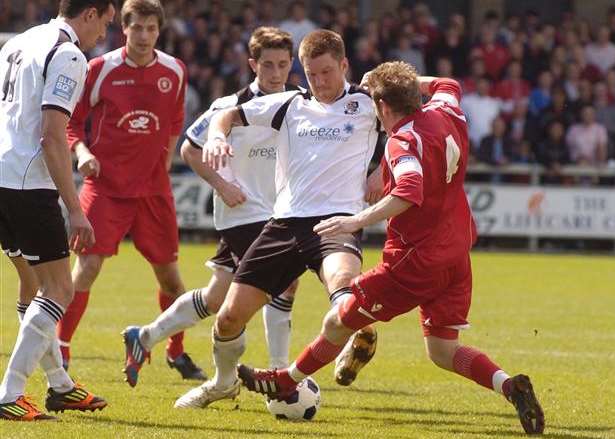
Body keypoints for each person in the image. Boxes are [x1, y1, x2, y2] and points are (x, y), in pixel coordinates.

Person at [236, 62, 545, 436]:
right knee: (443, 351)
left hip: (416, 260)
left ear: (382, 105)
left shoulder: (403, 140)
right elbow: (448, 82)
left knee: (338, 320)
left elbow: (407, 192)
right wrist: (401, 83)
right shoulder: (444, 110)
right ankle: (510, 386)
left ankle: (287, 378)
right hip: (456, 251)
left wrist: (354, 221)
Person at [197, 29, 384, 402]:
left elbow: (409, 117)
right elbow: (227, 116)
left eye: (327, 72)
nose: (319, 82)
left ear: (344, 65)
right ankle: (223, 382)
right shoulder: (290, 104)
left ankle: (358, 334)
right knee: (229, 318)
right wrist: (217, 137)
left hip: (337, 221)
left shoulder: (368, 103)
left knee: (344, 282)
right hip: (284, 224)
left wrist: (383, 167)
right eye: (311, 73)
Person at [121, 27, 302, 406]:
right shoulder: (229, 105)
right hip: (243, 212)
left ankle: (146, 336)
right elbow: (189, 149)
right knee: (282, 284)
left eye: (283, 65)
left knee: (218, 296)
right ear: (252, 64)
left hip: (279, 209)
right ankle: (281, 375)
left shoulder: (300, 103)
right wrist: (222, 185)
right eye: (267, 65)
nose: (275, 73)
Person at [61, 0, 205, 380]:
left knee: (172, 281)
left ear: (159, 31)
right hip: (105, 187)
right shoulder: (100, 68)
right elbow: (72, 123)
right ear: (123, 29)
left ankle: (176, 351)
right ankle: (61, 352)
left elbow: (175, 118)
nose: (143, 36)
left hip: (153, 192)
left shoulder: (175, 70)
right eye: (136, 28)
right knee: (86, 268)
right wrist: (82, 153)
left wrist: (166, 155)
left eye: (151, 29)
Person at [0, 0, 115, 421]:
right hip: (30, 182)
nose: (103, 35)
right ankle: (9, 392)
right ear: (90, 14)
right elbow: (52, 136)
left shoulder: (21, 41)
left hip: (3, 176)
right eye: (105, 23)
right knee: (59, 290)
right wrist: (75, 209)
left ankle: (60, 386)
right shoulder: (68, 54)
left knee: (32, 286)